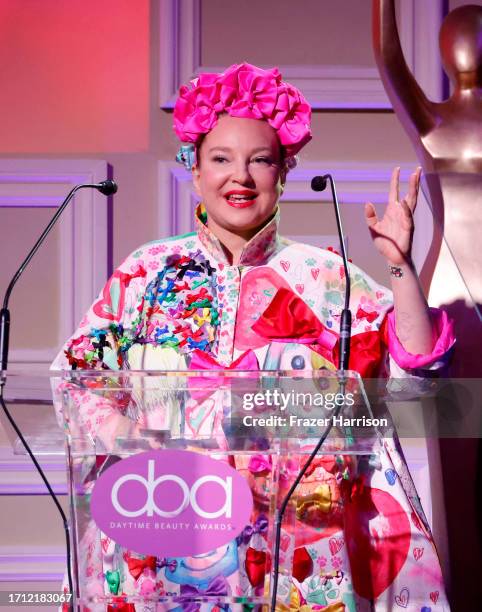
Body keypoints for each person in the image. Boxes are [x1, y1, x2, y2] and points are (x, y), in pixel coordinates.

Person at [52, 63, 454, 611]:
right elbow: (77, 377)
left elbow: (415, 378)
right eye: (220, 159)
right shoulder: (145, 274)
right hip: (167, 544)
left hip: (294, 559)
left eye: (260, 160)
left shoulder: (327, 278)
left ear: (283, 171)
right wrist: (130, 438)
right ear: (194, 171)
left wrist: (401, 266)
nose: (239, 177)